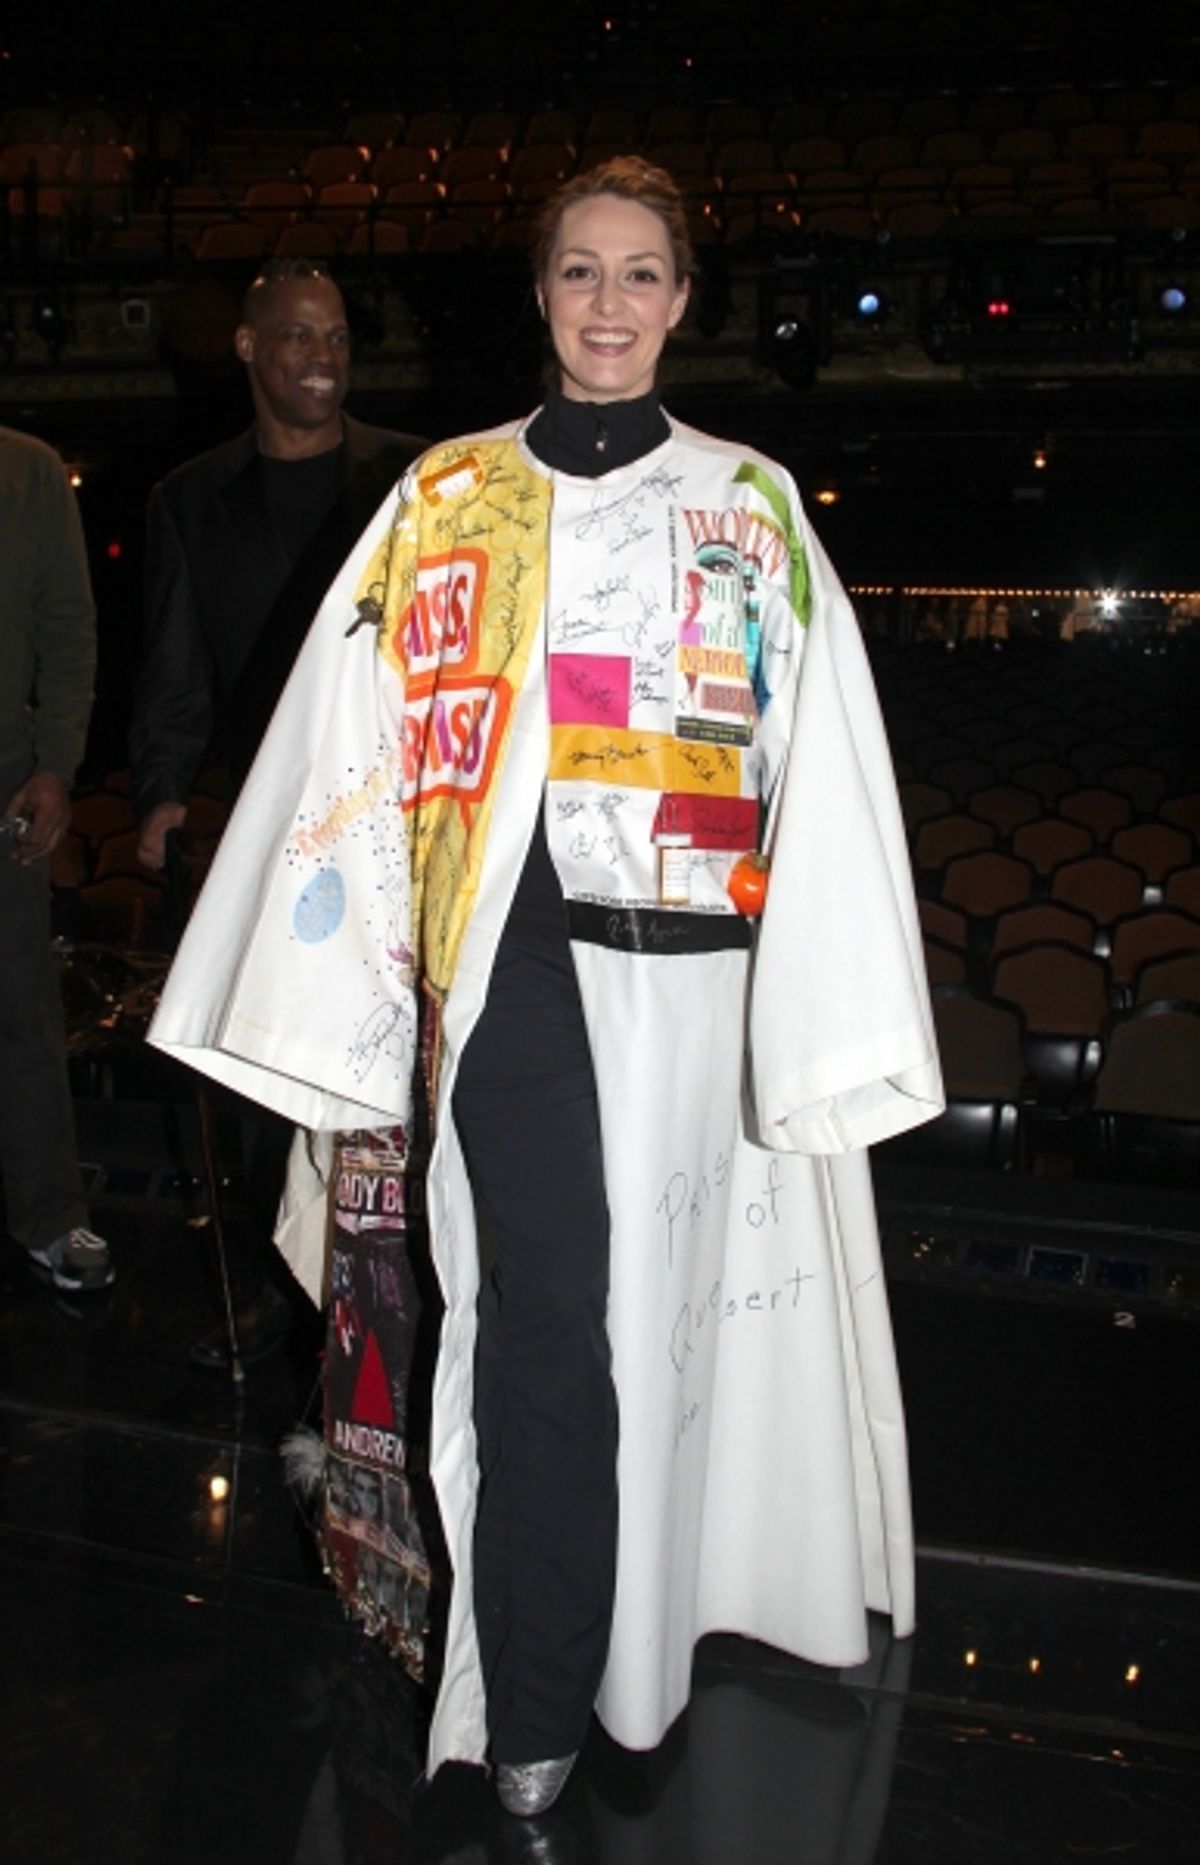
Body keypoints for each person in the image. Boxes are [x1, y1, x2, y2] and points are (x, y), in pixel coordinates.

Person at [150, 159, 943, 1816]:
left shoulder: (752, 503)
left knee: (671, 1318)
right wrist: (341, 986)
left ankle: (655, 1632)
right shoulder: (446, 495)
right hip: (512, 963)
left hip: (697, 978)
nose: (607, 302)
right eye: (580, 270)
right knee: (552, 1318)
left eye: (641, 273)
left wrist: (824, 1000)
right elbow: (354, 734)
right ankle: (537, 1694)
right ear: (540, 292)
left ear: (681, 298)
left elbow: (825, 758)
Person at [130, 259, 424, 1367]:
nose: (324, 357)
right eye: (299, 335)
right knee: (270, 1063)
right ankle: (282, 1290)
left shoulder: (411, 477)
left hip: (398, 818)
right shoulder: (189, 499)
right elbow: (173, 670)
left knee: (395, 1067)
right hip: (273, 826)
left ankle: (402, 1286)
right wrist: (163, 793)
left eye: (339, 336)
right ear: (249, 345)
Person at [1, 424, 114, 1294]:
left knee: (22, 1011)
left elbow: (69, 628)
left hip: (4, 777)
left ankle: (48, 1214)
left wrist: (55, 765)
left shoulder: (29, 471)